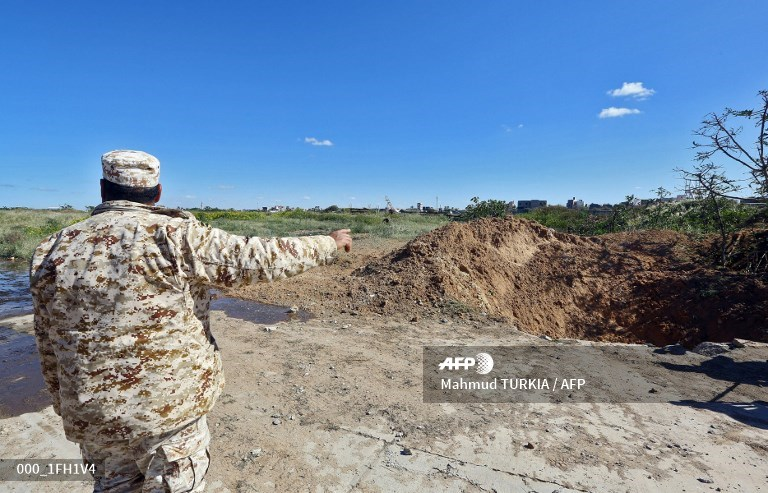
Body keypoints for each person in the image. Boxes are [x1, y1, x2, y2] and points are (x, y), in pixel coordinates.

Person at [30, 150, 352, 492]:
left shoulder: (52, 247)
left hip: (94, 418)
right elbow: (258, 259)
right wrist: (328, 243)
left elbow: (47, 340)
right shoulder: (174, 235)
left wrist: (67, 402)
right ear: (157, 193)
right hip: (167, 416)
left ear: (102, 189)